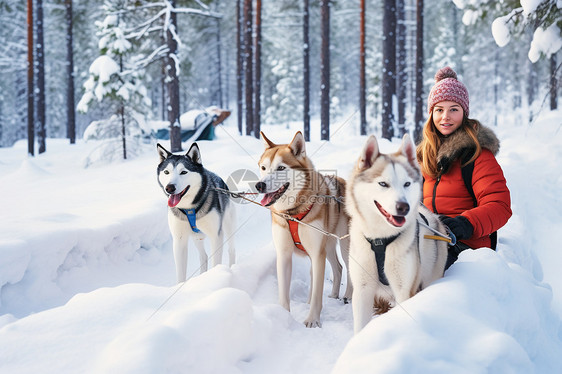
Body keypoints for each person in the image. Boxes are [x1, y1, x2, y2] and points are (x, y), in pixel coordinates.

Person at [416, 66, 512, 269]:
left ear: (464, 113)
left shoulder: (477, 156)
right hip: (428, 238)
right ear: (431, 113)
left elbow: (500, 206)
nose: (445, 117)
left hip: (465, 246)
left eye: (454, 109)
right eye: (439, 110)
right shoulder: (424, 157)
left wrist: (465, 224)